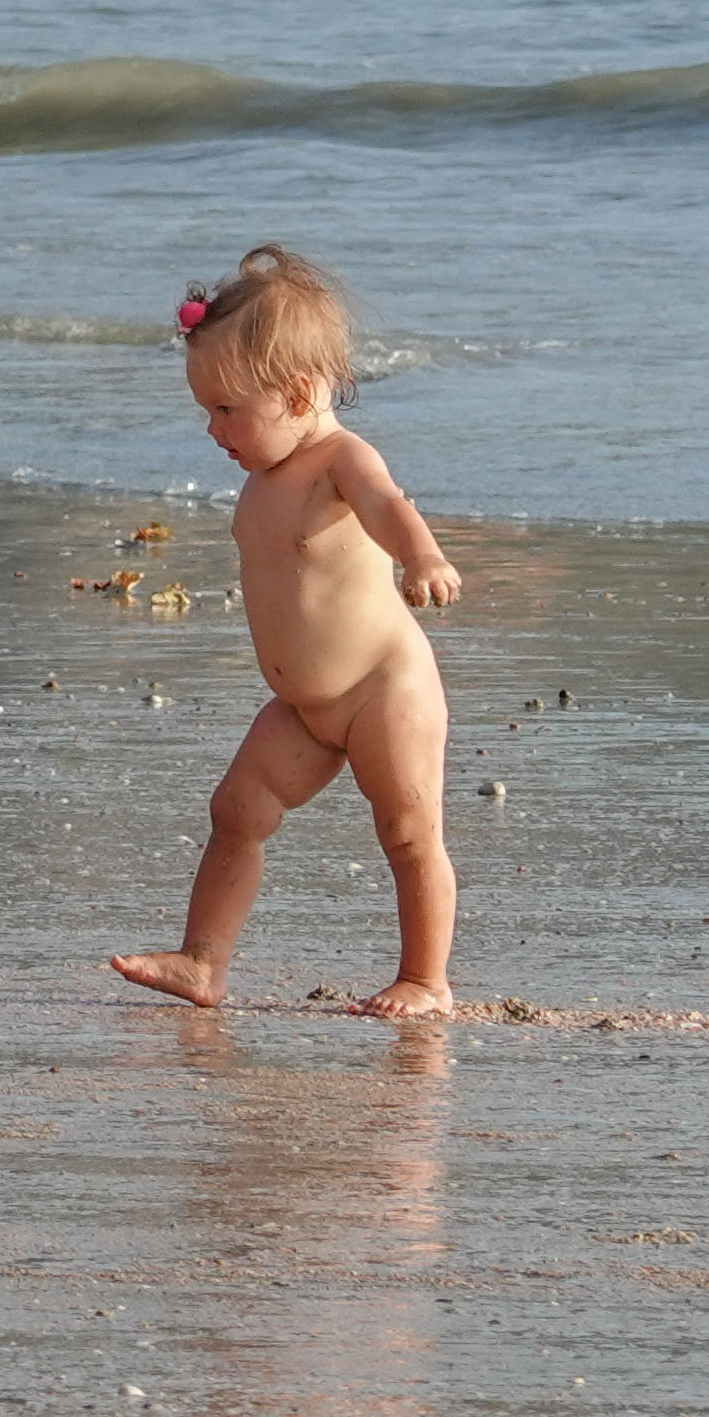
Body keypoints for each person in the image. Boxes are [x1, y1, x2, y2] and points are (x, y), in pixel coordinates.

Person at [109, 247, 472, 1023]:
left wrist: (422, 554)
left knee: (409, 832)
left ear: (300, 392)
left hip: (383, 690)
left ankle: (425, 978)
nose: (214, 429)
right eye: (206, 411)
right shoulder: (265, 474)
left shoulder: (341, 459)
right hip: (305, 708)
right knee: (236, 810)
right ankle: (201, 963)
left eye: (228, 412)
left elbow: (386, 505)